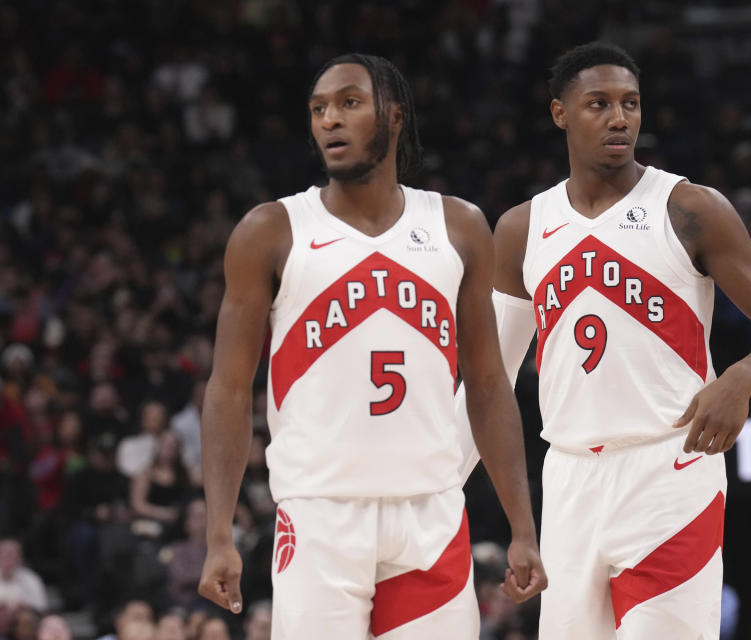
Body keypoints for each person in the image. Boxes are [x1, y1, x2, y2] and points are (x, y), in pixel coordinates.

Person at [457, 41, 751, 638]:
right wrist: (436, 485)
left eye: (630, 103)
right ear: (560, 114)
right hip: (570, 476)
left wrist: (741, 379)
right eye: (598, 103)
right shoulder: (523, 228)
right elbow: (488, 377)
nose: (619, 117)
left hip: (670, 469)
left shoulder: (687, 208)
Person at [198, 53, 546, 639]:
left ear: (394, 118)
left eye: (350, 103)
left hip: (430, 514)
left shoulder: (458, 227)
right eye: (318, 109)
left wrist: (522, 526)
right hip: (319, 516)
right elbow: (229, 390)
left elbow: (488, 384)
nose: (330, 119)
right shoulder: (271, 230)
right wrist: (218, 534)